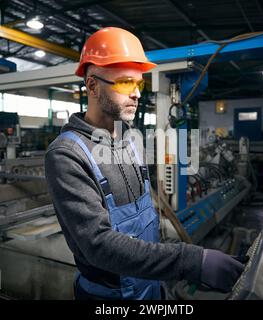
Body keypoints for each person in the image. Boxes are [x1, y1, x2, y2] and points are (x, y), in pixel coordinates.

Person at [45, 27, 244, 300]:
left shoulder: (130, 139)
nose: (137, 93)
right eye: (126, 83)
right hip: (109, 296)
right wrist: (190, 261)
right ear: (92, 85)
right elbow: (99, 245)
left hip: (150, 285)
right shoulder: (67, 154)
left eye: (139, 84)